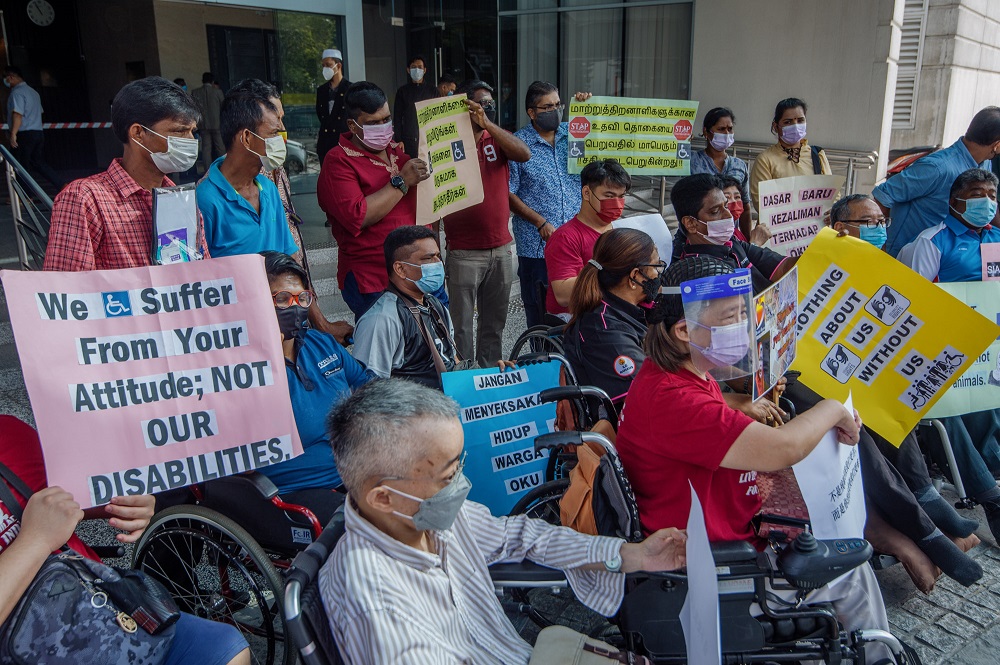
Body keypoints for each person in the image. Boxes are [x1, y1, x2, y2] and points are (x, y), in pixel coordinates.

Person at [615, 255, 892, 662]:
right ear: (683, 330)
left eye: (745, 312)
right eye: (731, 317)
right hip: (714, 566)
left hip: (719, 536)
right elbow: (784, 449)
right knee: (852, 572)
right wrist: (834, 408)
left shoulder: (682, 374)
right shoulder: (675, 400)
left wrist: (743, 399)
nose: (745, 327)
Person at [318, 378, 687, 664]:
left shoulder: (426, 518)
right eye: (448, 476)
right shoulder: (377, 603)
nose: (462, 485)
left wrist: (630, 555)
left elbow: (519, 534)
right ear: (383, 497)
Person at [0, 415, 250, 665]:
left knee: (226, 647)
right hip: (28, 642)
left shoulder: (9, 433)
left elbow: (64, 500)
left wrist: (123, 504)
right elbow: (42, 528)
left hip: (98, 604)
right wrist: (35, 540)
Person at [901, 168, 1000, 541]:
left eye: (992, 194)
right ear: (954, 201)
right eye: (977, 194)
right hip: (941, 352)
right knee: (950, 408)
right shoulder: (932, 242)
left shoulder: (996, 239)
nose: (986, 202)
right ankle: (989, 494)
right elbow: (916, 307)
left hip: (990, 350)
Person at [227, 78, 353, 344]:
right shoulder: (212, 198)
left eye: (282, 120)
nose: (284, 132)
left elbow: (291, 254)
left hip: (290, 316)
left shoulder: (270, 179)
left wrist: (316, 319)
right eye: (275, 126)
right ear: (247, 136)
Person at [255, 252, 372, 523]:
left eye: (302, 298)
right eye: (282, 299)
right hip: (291, 493)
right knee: (372, 524)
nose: (295, 308)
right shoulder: (242, 370)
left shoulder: (322, 343)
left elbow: (368, 386)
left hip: (354, 469)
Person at [44, 77, 207, 271]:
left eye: (192, 132)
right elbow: (67, 291)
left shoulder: (181, 200)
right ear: (138, 133)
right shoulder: (84, 199)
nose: (190, 141)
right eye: (180, 131)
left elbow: (199, 275)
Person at [318, 81, 430, 318]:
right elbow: (358, 216)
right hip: (374, 279)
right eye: (373, 123)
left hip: (420, 274)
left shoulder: (398, 153)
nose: (383, 127)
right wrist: (401, 181)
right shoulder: (338, 161)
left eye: (386, 119)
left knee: (431, 347)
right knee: (387, 349)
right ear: (353, 124)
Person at [442, 80, 530, 367]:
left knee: (494, 322)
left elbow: (524, 153)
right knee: (462, 326)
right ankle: (465, 376)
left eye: (489, 103)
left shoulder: (498, 138)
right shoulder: (447, 142)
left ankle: (490, 372)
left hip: (501, 249)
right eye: (480, 102)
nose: (486, 107)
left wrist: (488, 124)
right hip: (464, 252)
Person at [508, 82, 592, 327]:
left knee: (580, 309)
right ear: (531, 112)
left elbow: (601, 138)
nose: (555, 111)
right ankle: (541, 362)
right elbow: (508, 193)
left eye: (558, 105)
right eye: (547, 107)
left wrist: (586, 108)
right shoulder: (518, 144)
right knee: (542, 315)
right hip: (538, 247)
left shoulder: (574, 136)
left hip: (577, 244)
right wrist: (539, 222)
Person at [875, 106, 1000, 257]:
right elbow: (883, 196)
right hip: (905, 256)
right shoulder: (937, 167)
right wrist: (879, 245)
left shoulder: (985, 163)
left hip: (946, 255)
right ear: (997, 145)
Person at [562, 228, 664, 408]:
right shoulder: (605, 332)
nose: (658, 275)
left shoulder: (631, 306)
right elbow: (649, 397)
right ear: (635, 277)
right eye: (656, 267)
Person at [196, 81, 298, 259]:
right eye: (274, 133)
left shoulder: (268, 189)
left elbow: (290, 254)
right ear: (247, 138)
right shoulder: (205, 200)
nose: (282, 139)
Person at [352, 226, 458, 389]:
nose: (438, 264)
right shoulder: (382, 319)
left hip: (447, 407)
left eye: (438, 256)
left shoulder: (434, 304)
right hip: (415, 412)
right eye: (428, 259)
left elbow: (452, 359)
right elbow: (367, 390)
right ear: (400, 269)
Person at [673, 173, 795, 294]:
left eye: (725, 206)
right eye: (715, 211)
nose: (728, 215)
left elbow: (785, 268)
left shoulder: (732, 243)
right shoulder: (697, 271)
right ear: (690, 223)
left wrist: (813, 252)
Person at [544, 158, 629, 320]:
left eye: (621, 196)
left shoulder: (621, 230)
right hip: (577, 317)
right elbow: (563, 295)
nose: (617, 204)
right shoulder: (565, 237)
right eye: (609, 195)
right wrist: (616, 276)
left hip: (613, 311)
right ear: (587, 193)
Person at [749, 97, 832, 212]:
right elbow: (762, 202)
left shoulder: (817, 154)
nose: (795, 125)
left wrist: (829, 212)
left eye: (800, 120)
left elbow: (832, 194)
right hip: (777, 228)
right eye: (788, 122)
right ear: (775, 126)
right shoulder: (765, 159)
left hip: (814, 227)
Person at [691, 107, 754, 238]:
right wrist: (680, 144)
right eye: (721, 129)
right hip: (698, 237)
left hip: (731, 238)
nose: (726, 133)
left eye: (729, 129)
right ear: (706, 132)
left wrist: (748, 241)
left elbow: (745, 206)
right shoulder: (692, 161)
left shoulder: (739, 165)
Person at [3, 66, 63, 190]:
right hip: (37, 133)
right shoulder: (33, 92)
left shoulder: (17, 93)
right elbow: (39, 112)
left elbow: (17, 114)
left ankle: (26, 196)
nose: (6, 82)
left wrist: (13, 134)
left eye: (6, 78)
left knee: (19, 165)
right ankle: (61, 184)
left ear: (11, 77)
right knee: (38, 163)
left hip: (24, 133)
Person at [392, 55, 437, 158]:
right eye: (413, 67)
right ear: (408, 70)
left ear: (425, 70)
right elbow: (397, 118)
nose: (417, 70)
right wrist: (399, 140)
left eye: (420, 67)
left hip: (429, 139)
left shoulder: (432, 90)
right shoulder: (402, 91)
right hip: (409, 140)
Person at [316, 48, 351, 163]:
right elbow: (320, 114)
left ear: (338, 65)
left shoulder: (350, 89)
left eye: (328, 65)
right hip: (325, 144)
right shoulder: (322, 90)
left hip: (344, 144)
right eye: (323, 65)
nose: (325, 68)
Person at [191, 72, 226, 174]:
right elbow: (223, 107)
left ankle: (208, 171)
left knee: (206, 148)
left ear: (202, 80)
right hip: (217, 124)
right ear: (212, 81)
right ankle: (223, 170)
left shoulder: (195, 92)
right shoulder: (217, 92)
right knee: (220, 148)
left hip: (203, 124)